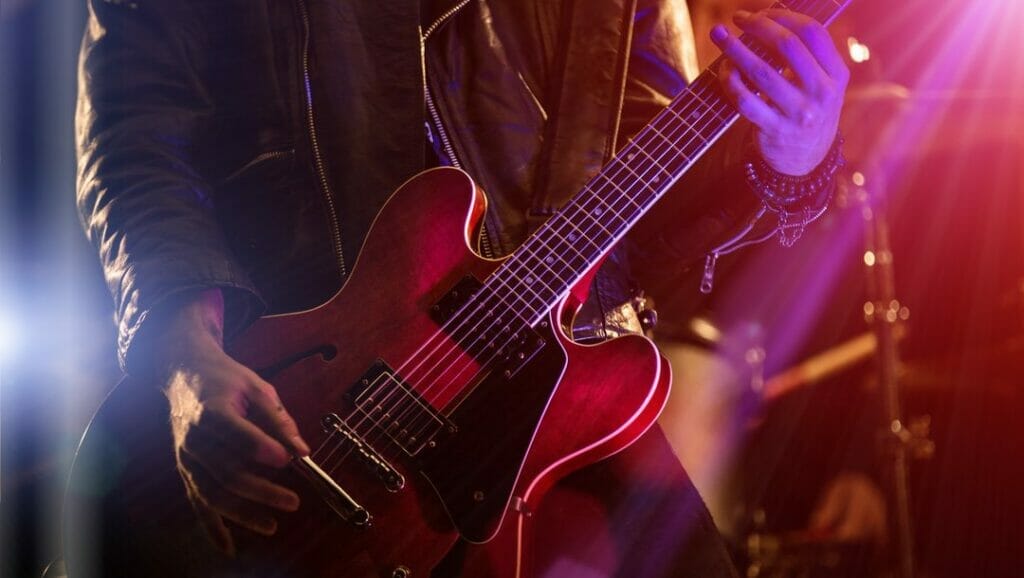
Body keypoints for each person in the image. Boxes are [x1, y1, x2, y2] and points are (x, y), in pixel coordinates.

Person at [75, 0, 848, 575]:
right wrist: (182, 354)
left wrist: (794, 153)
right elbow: (137, 138)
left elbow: (654, 212)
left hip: (547, 402)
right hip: (290, 385)